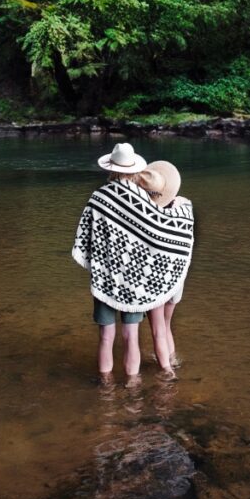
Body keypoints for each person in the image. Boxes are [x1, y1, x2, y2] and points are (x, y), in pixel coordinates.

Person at [72, 142, 194, 384]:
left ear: (110, 167)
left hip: (105, 276)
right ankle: (132, 384)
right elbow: (158, 231)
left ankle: (106, 384)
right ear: (134, 169)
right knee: (131, 336)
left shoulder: (99, 197)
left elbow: (86, 236)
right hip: (135, 282)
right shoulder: (143, 199)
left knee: (106, 337)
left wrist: (100, 263)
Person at [134, 161, 192, 371]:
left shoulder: (147, 217)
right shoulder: (186, 208)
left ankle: (167, 373)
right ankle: (172, 360)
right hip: (178, 276)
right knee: (166, 325)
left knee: (157, 329)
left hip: (157, 279)